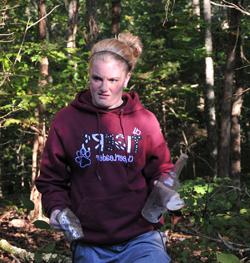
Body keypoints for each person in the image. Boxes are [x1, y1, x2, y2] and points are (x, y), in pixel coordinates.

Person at [35, 32, 174, 263]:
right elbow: (51, 180)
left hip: (141, 237)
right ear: (89, 76)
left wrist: (165, 187)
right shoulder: (67, 121)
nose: (104, 88)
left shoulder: (145, 120)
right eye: (97, 79)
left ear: (127, 79)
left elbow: (162, 169)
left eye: (113, 80)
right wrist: (57, 209)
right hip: (90, 242)